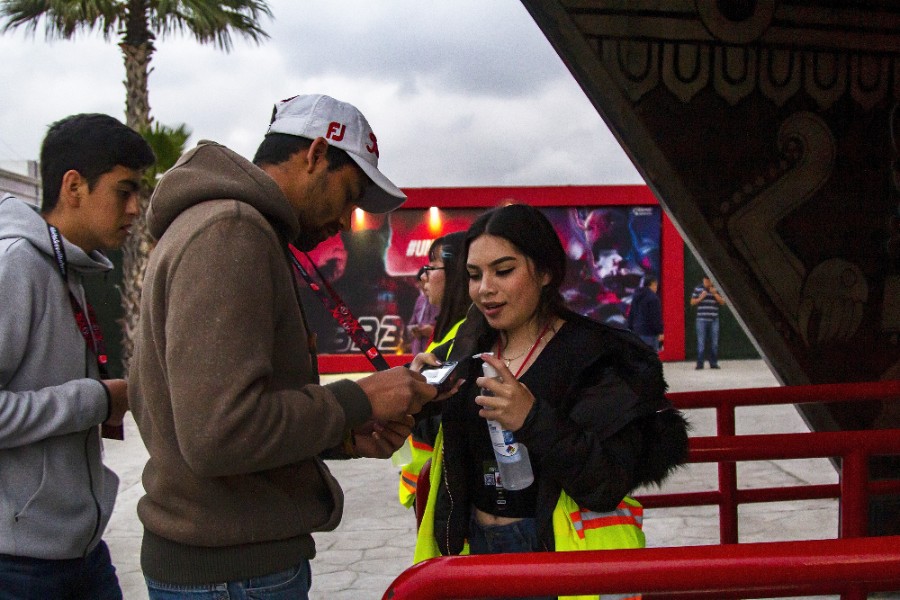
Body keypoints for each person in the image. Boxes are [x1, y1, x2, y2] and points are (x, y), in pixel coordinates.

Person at [128, 94, 439, 599]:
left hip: (225, 564)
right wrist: (358, 399)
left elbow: (220, 420)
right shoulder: (231, 230)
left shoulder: (231, 227)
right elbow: (218, 433)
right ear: (315, 154)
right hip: (232, 573)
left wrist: (337, 435)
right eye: (349, 193)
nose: (346, 220)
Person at [413, 204, 689, 600]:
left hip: (560, 559)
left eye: (503, 271)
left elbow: (605, 483)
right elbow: (443, 441)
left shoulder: (601, 357)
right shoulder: (467, 346)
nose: (484, 289)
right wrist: (421, 399)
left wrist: (532, 419)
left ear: (545, 272)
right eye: (474, 275)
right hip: (471, 547)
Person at [0, 113, 155, 599]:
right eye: (123, 191)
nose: (135, 208)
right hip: (21, 565)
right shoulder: (15, 268)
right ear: (73, 186)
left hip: (81, 552)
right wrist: (94, 400)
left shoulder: (68, 267)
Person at [398, 231, 470, 508]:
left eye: (431, 266)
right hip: (430, 489)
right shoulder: (448, 334)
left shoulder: (461, 340)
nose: (423, 277)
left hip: (445, 493)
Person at [691, 275, 727, 369]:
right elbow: (692, 302)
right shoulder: (698, 289)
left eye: (710, 281)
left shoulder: (716, 289)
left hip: (714, 319)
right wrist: (701, 298)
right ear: (704, 280)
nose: (708, 283)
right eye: (707, 281)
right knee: (701, 342)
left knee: (714, 343)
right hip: (701, 320)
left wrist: (715, 294)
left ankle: (713, 363)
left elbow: (723, 302)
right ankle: (700, 364)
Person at [627, 273, 664, 352]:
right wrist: (660, 331)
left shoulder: (636, 297)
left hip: (636, 333)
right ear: (653, 284)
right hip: (649, 334)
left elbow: (631, 314)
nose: (656, 288)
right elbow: (655, 317)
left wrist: (630, 329)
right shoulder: (653, 298)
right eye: (656, 285)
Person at [406, 276, 439, 355]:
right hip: (417, 350)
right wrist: (413, 330)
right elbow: (411, 324)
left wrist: (433, 331)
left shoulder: (440, 300)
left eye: (424, 281)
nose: (418, 286)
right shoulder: (420, 300)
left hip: (433, 350)